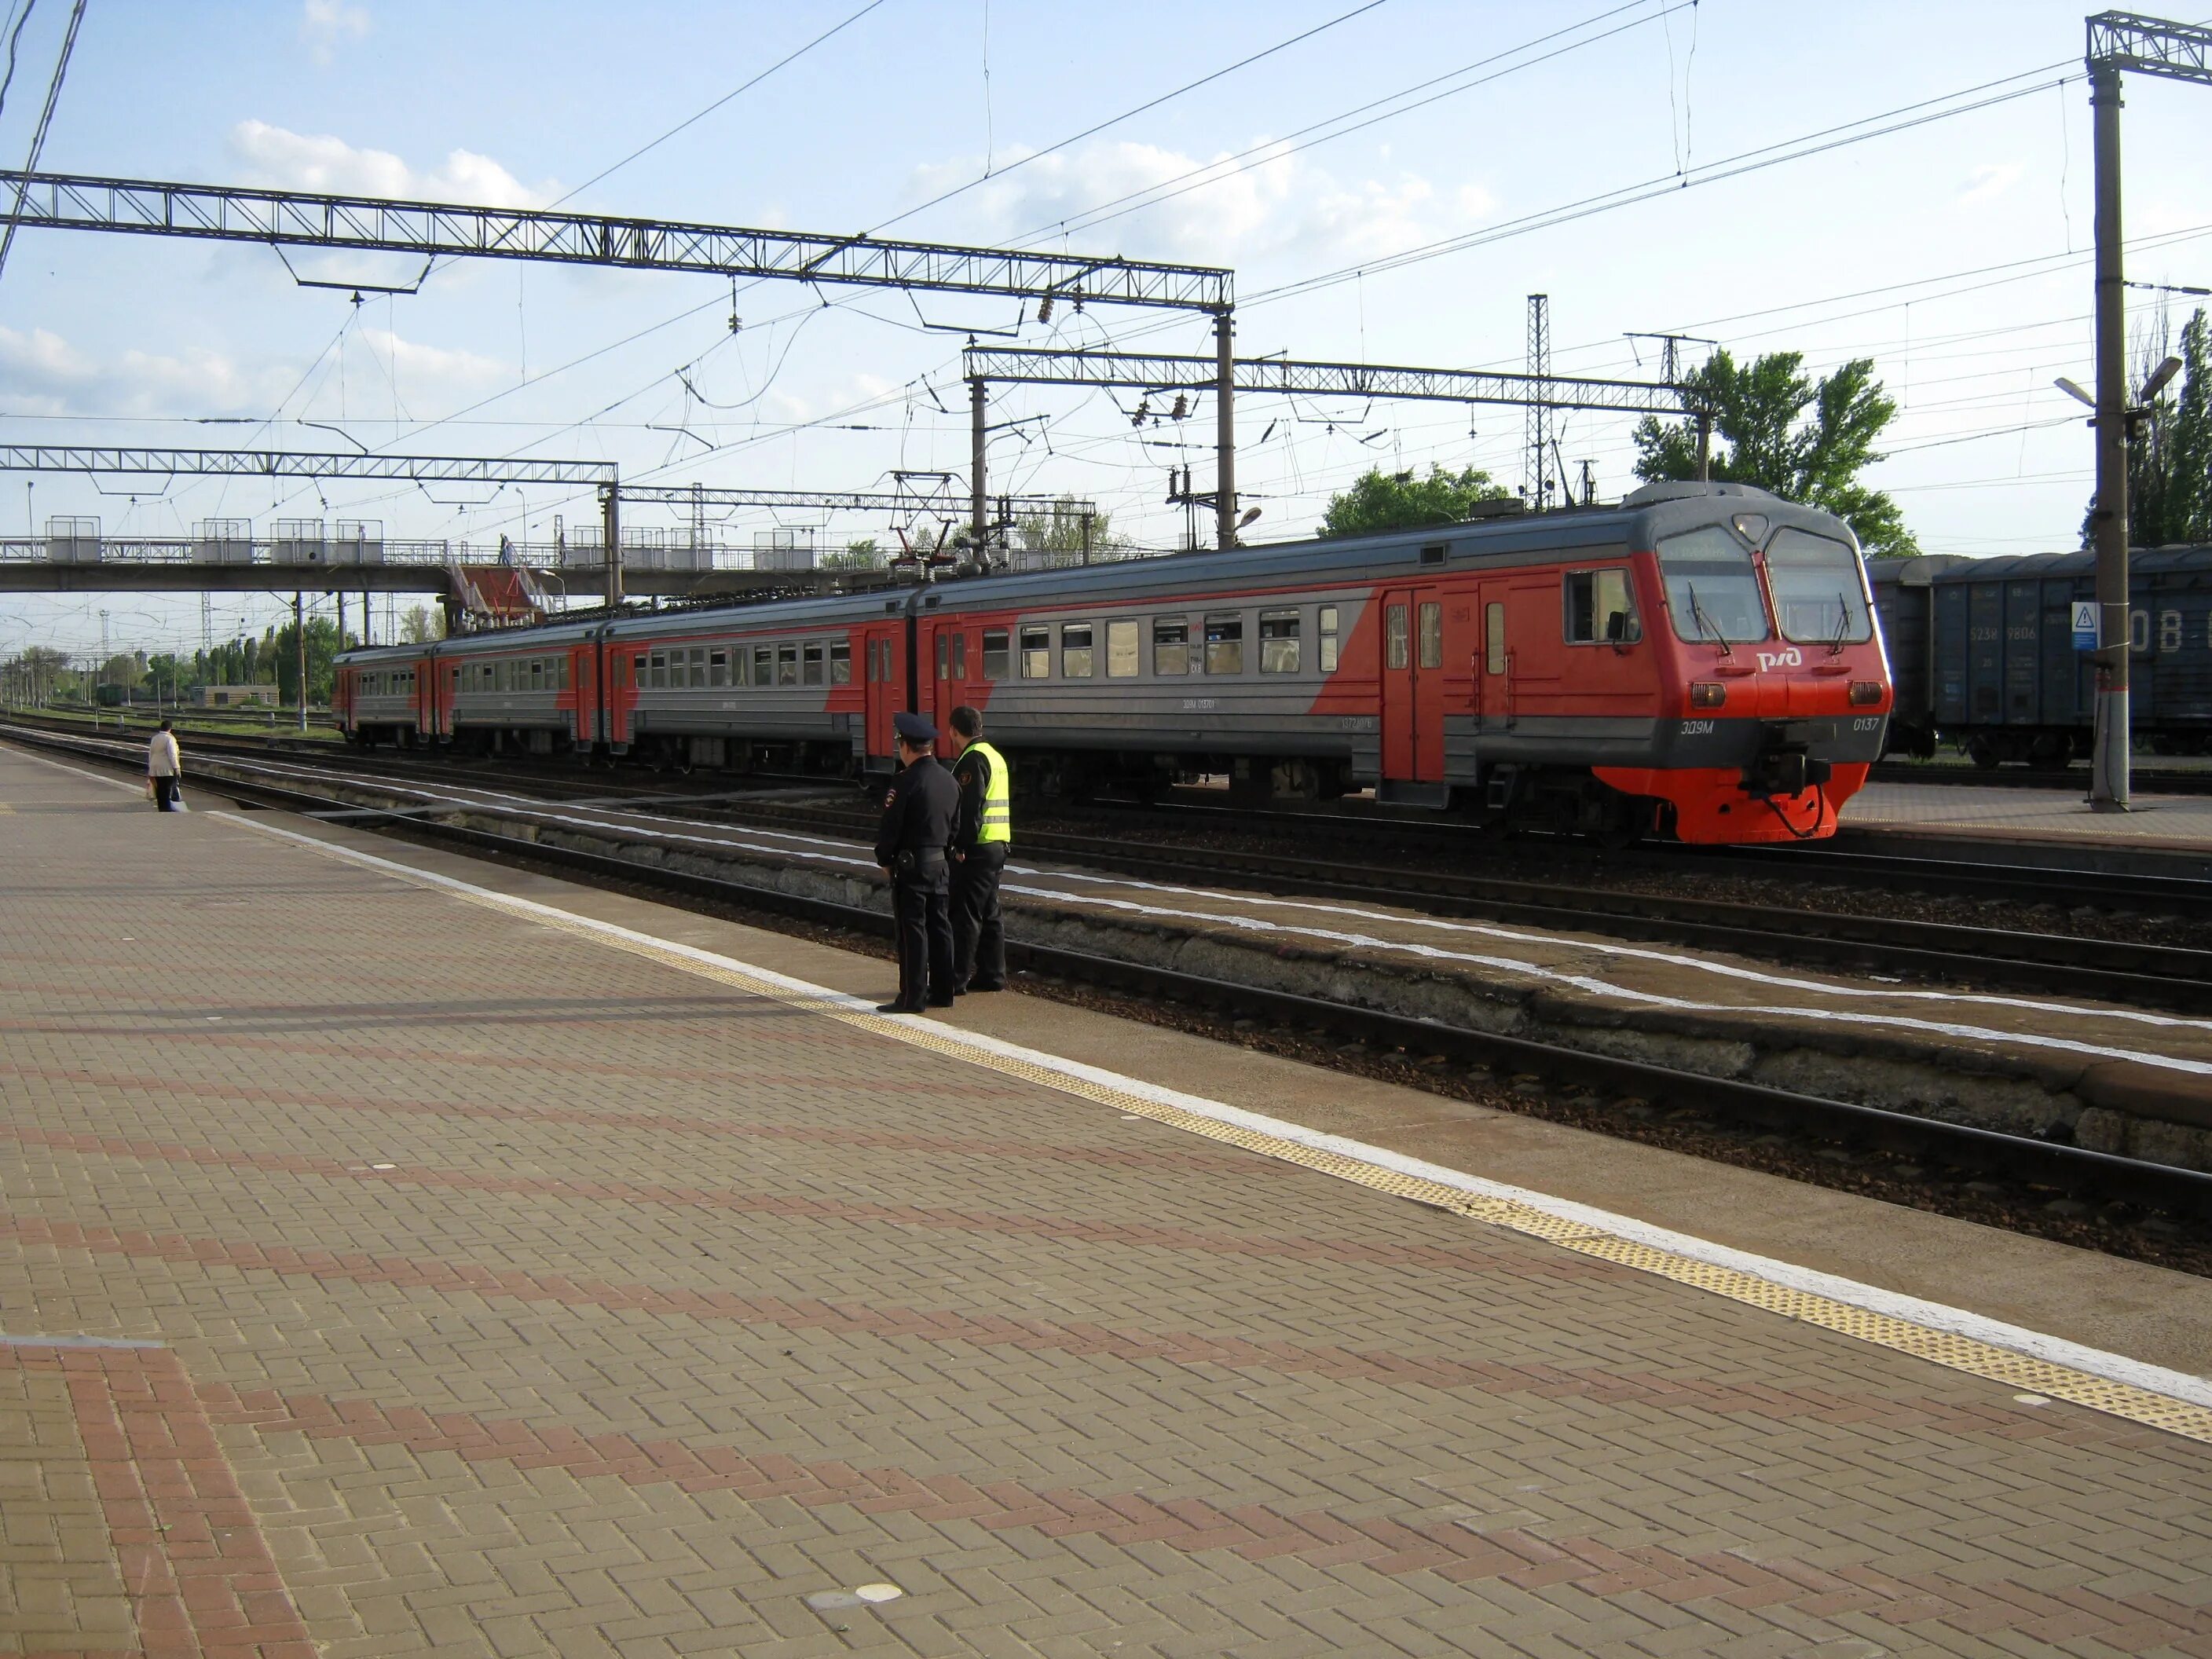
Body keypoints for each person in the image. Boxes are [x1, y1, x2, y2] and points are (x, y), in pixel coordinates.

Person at [873, 711, 959, 1013]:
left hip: (912, 868)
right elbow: (956, 827)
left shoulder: (905, 782)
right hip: (941, 866)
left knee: (913, 932)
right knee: (941, 928)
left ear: (906, 747)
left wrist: (885, 859)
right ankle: (944, 992)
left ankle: (912, 998)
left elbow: (891, 828)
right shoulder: (949, 780)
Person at [947, 705, 1010, 993]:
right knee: (990, 913)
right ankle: (992, 975)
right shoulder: (995, 756)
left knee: (966, 916)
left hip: (978, 847)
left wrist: (961, 845)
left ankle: (956, 980)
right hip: (998, 845)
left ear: (954, 731)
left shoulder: (971, 759)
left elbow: (971, 807)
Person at [146, 720, 182, 811]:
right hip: (166, 769)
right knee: (166, 789)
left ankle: (161, 807)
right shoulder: (170, 739)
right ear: (170, 729)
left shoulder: (155, 738)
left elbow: (151, 753)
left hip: (155, 767)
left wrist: (151, 767)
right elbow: (172, 754)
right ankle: (166, 808)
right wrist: (177, 768)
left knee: (159, 789)